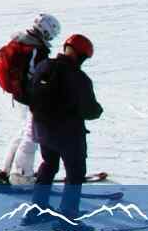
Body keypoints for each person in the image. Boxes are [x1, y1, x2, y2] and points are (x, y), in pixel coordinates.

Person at [0, 12, 60, 185]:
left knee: (24, 133)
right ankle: (21, 175)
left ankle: (6, 170)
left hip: (19, 95)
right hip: (29, 97)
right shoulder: (34, 48)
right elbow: (36, 74)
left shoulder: (20, 42)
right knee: (31, 137)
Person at [30, 33, 101, 189]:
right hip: (68, 134)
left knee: (49, 164)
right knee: (75, 172)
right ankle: (70, 204)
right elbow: (90, 110)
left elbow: (31, 93)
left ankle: (38, 202)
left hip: (41, 129)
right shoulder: (79, 78)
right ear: (79, 55)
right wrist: (98, 110)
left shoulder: (43, 66)